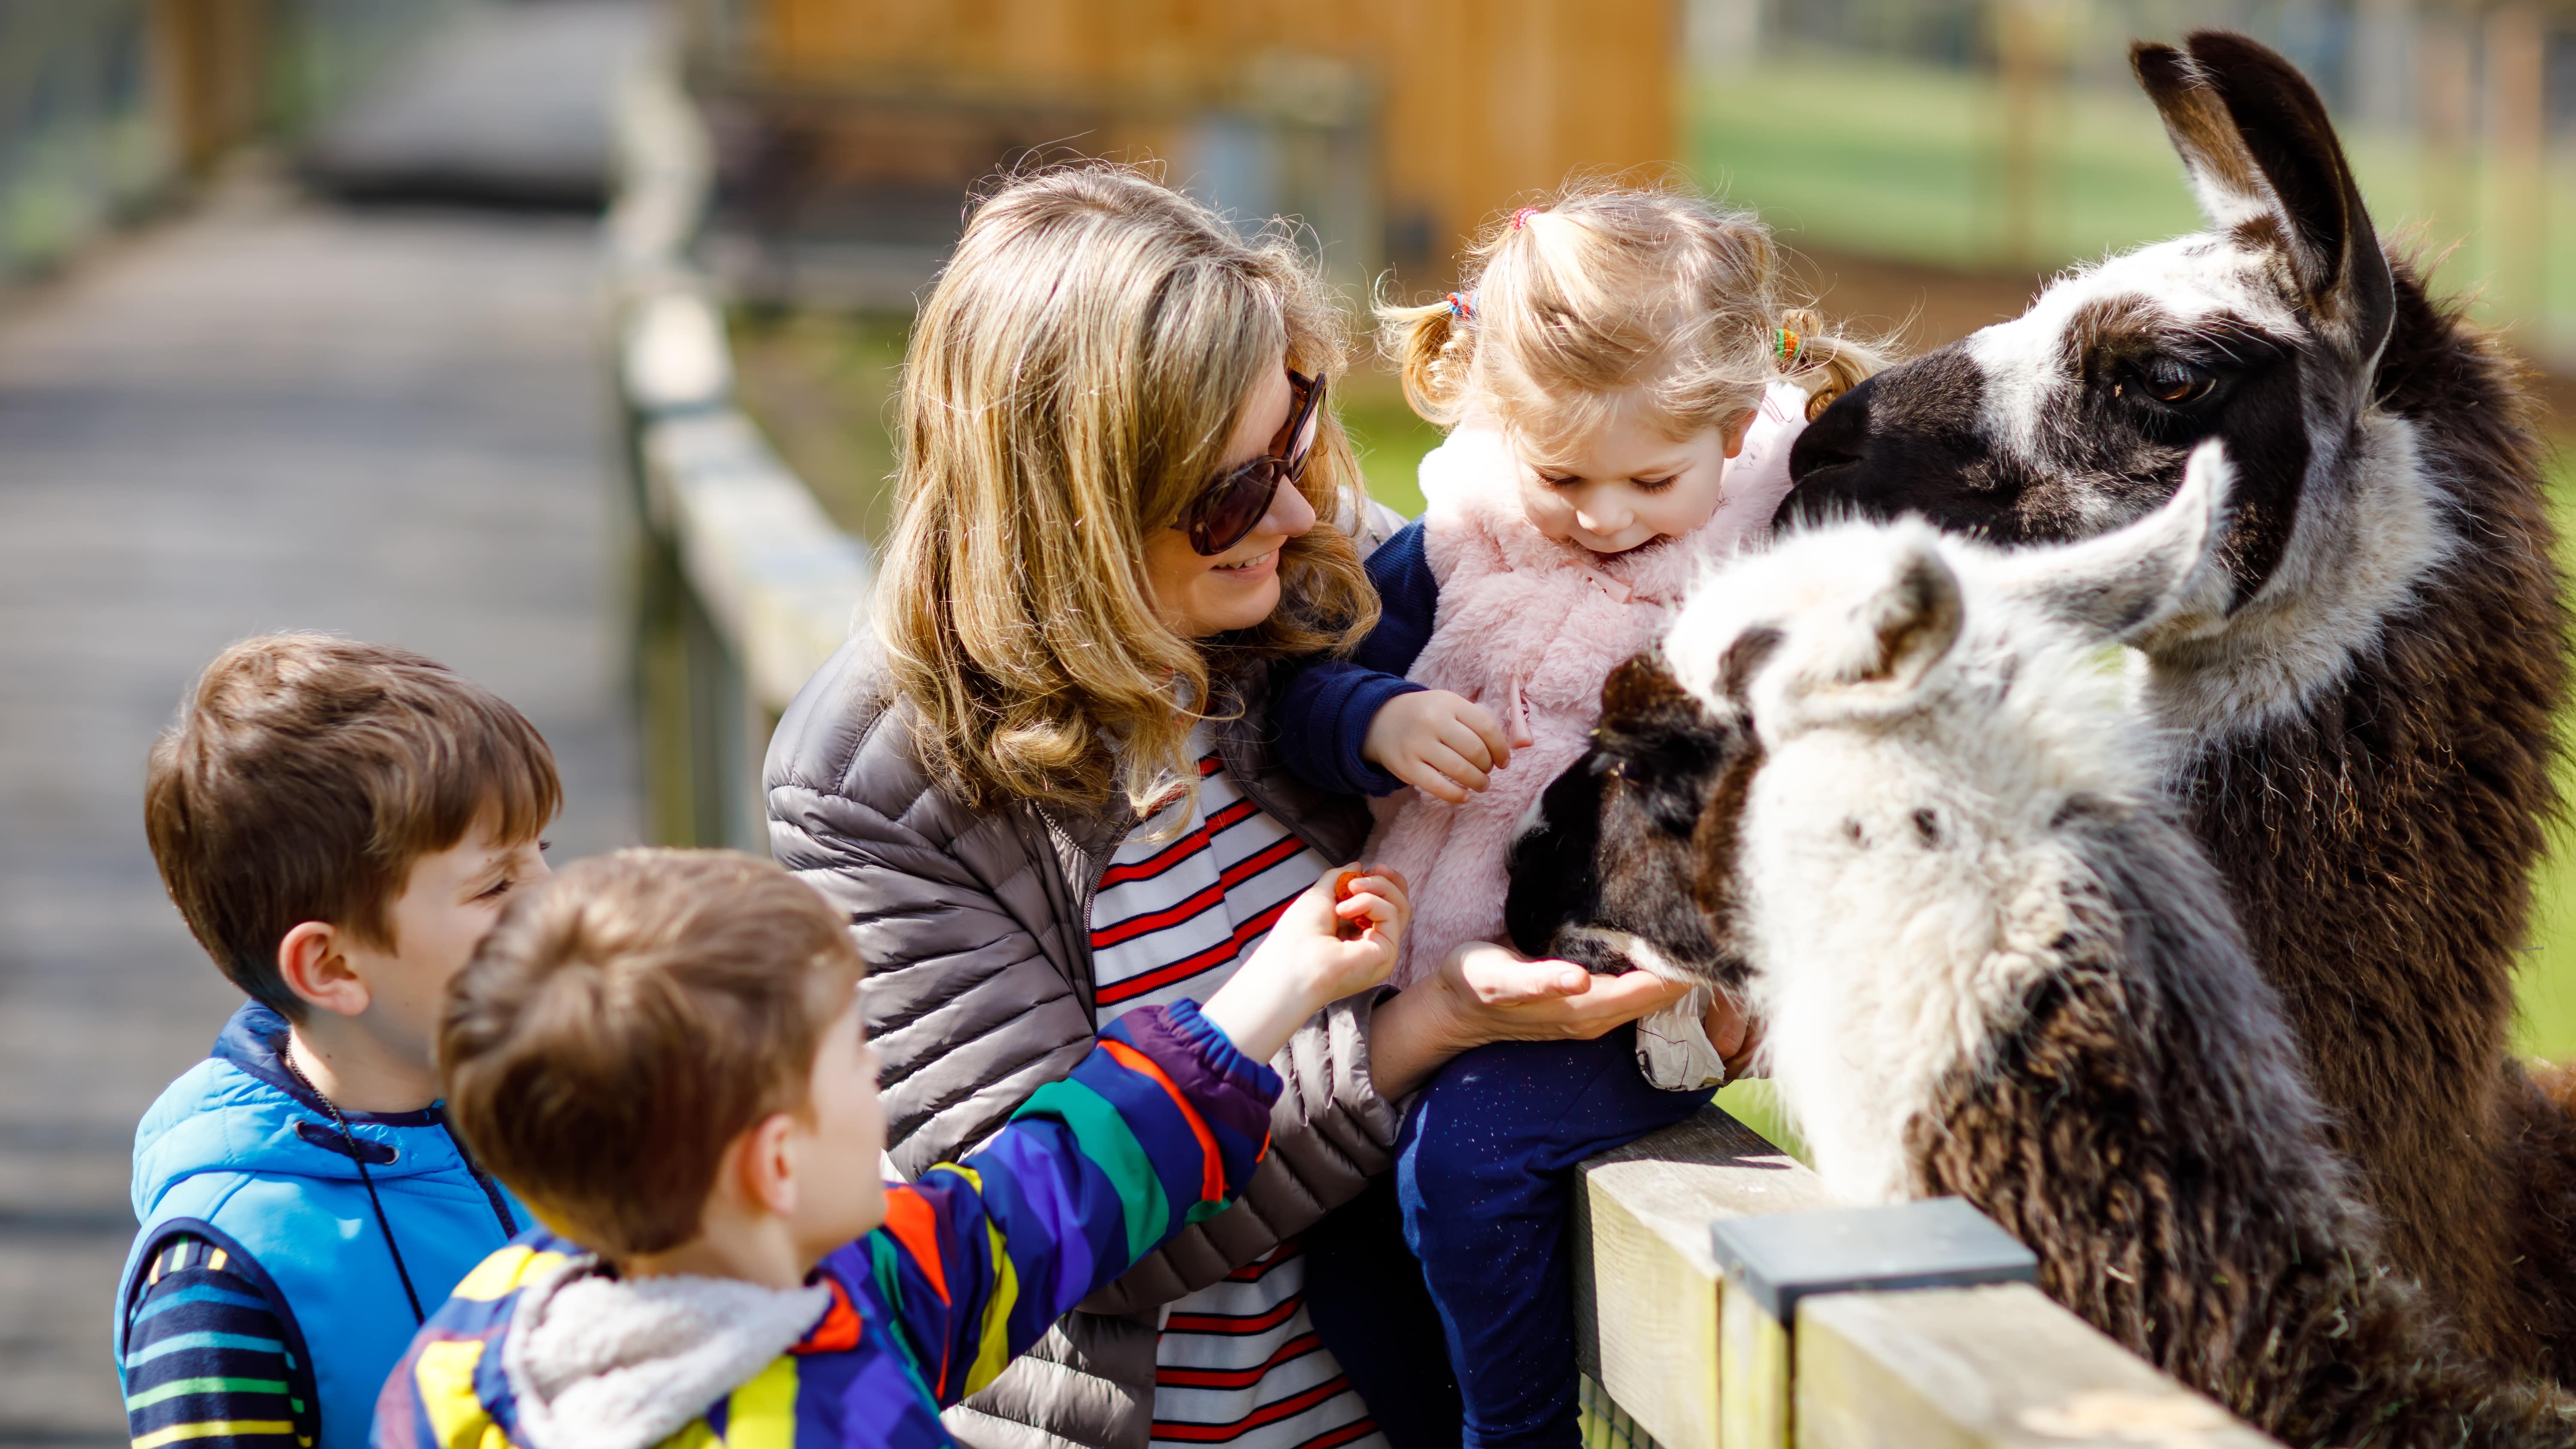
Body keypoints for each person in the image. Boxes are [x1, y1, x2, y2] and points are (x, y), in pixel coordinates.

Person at [763, 164, 1697, 1449]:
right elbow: (1041, 1235)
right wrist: (1412, 1033)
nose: (1305, 508)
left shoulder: (1326, 592)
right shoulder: (880, 782)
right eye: (1233, 491)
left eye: (1297, 435)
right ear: (1075, 500)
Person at [1271, 184, 1886, 1448]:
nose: (1603, 519)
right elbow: (1301, 692)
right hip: (1433, 974)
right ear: (1505, 424)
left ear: (1730, 430)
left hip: (1636, 1008)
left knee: (1470, 1160)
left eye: (1651, 479)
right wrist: (1375, 719)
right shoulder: (1460, 547)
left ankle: (1522, 1432)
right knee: (1338, 1237)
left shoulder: (1766, 573)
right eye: (1563, 475)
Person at [372, 847, 1408, 1449]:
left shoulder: (478, 1340)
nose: (875, 1081)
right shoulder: (831, 1406)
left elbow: (1023, 1209)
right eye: (848, 1057)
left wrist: (1273, 994)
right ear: (776, 1163)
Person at [117, 634, 556, 1449]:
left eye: (544, 856)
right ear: (331, 965)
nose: (556, 900)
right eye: (497, 883)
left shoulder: (569, 1131)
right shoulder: (221, 1285)